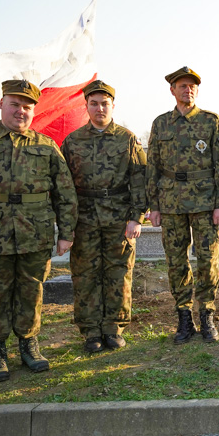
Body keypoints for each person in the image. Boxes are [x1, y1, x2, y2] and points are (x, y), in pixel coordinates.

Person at [0, 79, 77, 382]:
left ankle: (29, 344)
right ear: (2, 104)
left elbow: (65, 192)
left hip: (35, 233)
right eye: (15, 104)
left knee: (31, 291)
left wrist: (67, 233)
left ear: (33, 109)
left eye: (27, 106)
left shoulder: (46, 146)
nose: (21, 111)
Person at [145, 67, 219, 345]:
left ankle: (206, 314)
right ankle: (184, 316)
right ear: (172, 90)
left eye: (192, 86)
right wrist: (153, 206)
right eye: (182, 86)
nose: (188, 90)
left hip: (206, 202)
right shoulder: (161, 124)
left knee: (208, 261)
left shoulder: (210, 121)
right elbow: (153, 167)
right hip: (170, 202)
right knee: (176, 262)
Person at [61, 80, 147, 353]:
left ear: (112, 105)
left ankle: (113, 328)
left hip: (118, 217)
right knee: (85, 275)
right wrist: (66, 226)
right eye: (94, 103)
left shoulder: (127, 138)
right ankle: (90, 331)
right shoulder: (73, 141)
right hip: (84, 218)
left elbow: (139, 179)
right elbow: (63, 186)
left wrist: (136, 217)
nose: (100, 108)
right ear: (86, 106)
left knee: (118, 273)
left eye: (104, 103)